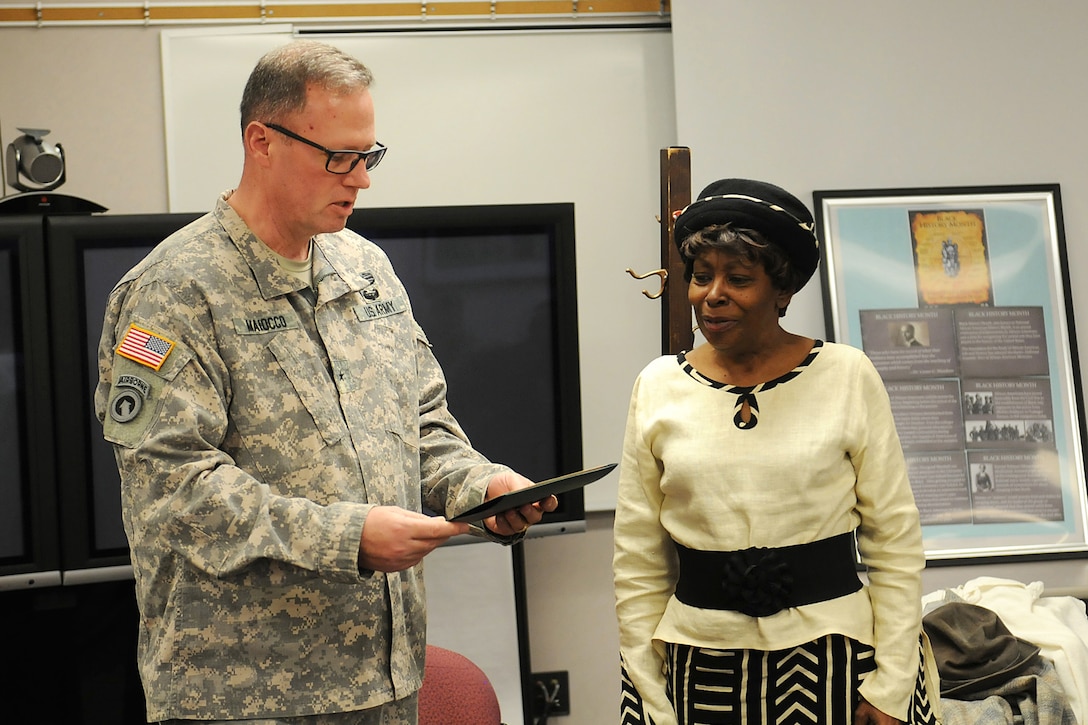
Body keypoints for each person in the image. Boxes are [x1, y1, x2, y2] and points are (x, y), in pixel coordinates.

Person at [94, 39, 556, 725]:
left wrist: (480, 486)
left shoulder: (366, 269)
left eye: (368, 156)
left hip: (383, 679)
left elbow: (422, 423)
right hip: (241, 696)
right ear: (262, 141)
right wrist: (348, 537)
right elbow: (173, 488)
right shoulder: (171, 292)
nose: (361, 179)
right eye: (338, 157)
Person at [613, 178, 939, 725]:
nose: (711, 295)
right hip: (700, 668)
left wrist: (893, 685)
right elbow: (638, 560)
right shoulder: (657, 385)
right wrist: (647, 695)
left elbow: (895, 543)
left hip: (837, 666)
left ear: (782, 291)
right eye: (700, 276)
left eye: (738, 278)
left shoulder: (846, 375)